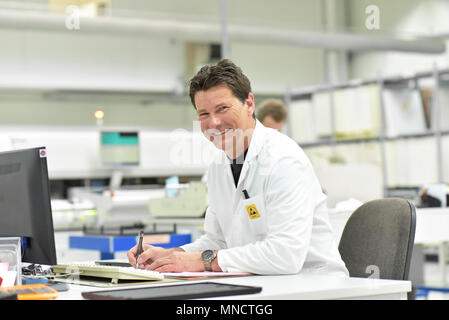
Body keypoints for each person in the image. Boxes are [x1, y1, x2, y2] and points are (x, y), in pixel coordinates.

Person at [128, 59, 348, 276]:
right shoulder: (218, 166)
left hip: (313, 285)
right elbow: (218, 240)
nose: (213, 123)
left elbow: (285, 255)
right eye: (204, 114)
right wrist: (172, 255)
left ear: (249, 104)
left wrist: (200, 261)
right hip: (263, 284)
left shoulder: (283, 159)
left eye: (222, 108)